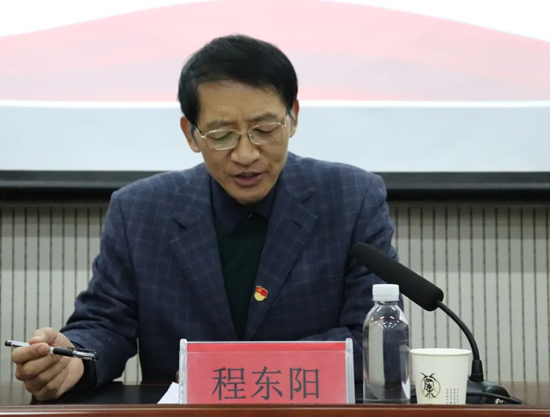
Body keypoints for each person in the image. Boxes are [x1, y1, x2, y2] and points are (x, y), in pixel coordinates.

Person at [11, 34, 397, 401]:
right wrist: (74, 360)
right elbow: (105, 324)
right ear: (191, 134)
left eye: (264, 129)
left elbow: (375, 339)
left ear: (293, 118)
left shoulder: (351, 198)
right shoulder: (140, 210)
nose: (246, 154)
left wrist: (238, 367)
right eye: (222, 134)